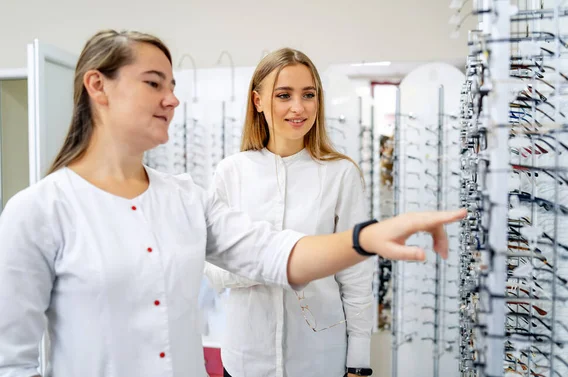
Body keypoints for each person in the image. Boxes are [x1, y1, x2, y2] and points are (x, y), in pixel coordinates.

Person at [0, 29, 466, 377]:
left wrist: (365, 239)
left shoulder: (184, 198)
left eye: (173, 85)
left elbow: (273, 253)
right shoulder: (37, 212)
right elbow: (13, 360)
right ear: (97, 86)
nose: (173, 99)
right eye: (154, 83)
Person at [204, 48, 375, 377]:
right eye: (284, 95)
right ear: (258, 101)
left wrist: (359, 361)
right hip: (245, 360)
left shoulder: (341, 174)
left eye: (308, 94)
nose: (299, 107)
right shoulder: (231, 172)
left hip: (319, 360)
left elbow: (356, 277)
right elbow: (212, 269)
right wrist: (280, 263)